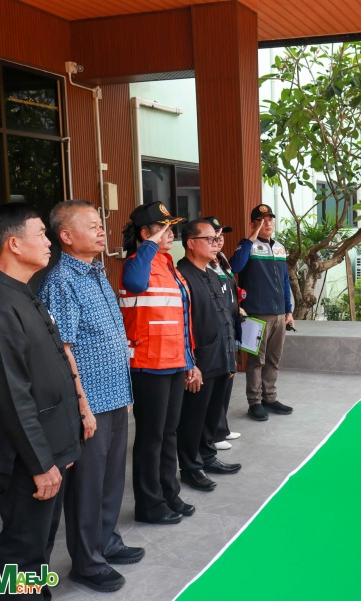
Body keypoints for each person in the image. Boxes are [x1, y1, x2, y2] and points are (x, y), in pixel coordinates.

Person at [0, 203, 82, 600]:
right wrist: (41, 463)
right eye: (41, 234)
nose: (49, 242)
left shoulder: (21, 292)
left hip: (48, 447)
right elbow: (12, 398)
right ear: (14, 244)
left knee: (38, 545)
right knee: (22, 551)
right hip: (26, 459)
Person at [37, 200, 143, 593]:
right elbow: (62, 349)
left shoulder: (96, 271)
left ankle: (107, 541)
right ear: (66, 236)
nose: (102, 231)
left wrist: (125, 391)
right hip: (90, 404)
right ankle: (87, 561)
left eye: (101, 224)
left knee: (112, 479)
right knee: (87, 487)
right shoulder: (61, 282)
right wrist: (81, 406)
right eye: (93, 225)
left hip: (114, 395)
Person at [119, 201, 200, 525]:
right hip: (148, 364)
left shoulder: (168, 265)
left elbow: (181, 319)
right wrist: (149, 247)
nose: (171, 234)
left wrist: (189, 360)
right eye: (163, 228)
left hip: (174, 361)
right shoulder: (136, 263)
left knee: (169, 434)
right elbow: (136, 285)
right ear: (145, 233)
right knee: (151, 438)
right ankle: (149, 505)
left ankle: (169, 494)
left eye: (172, 228)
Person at [176, 219, 242, 491]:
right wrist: (190, 363)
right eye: (210, 239)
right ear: (191, 243)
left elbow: (225, 317)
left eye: (217, 239)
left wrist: (230, 358)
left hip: (221, 355)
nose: (216, 244)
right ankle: (190, 467)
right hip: (199, 360)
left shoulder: (214, 275)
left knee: (212, 413)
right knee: (193, 418)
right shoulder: (181, 276)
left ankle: (207, 456)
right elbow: (182, 324)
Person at [231, 203, 294, 421]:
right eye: (262, 220)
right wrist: (251, 237)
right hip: (257, 313)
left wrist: (288, 310)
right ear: (253, 224)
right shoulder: (246, 246)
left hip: (279, 314)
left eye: (270, 219)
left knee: (273, 359)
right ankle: (255, 402)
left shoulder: (279, 248)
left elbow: (285, 281)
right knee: (256, 361)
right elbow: (235, 267)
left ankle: (270, 397)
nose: (267, 223)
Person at [202, 216, 242, 449]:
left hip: (229, 326)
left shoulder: (221, 260)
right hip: (216, 331)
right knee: (216, 384)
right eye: (213, 236)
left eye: (221, 235)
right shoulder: (204, 264)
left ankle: (221, 427)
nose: (218, 240)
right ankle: (214, 434)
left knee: (227, 379)